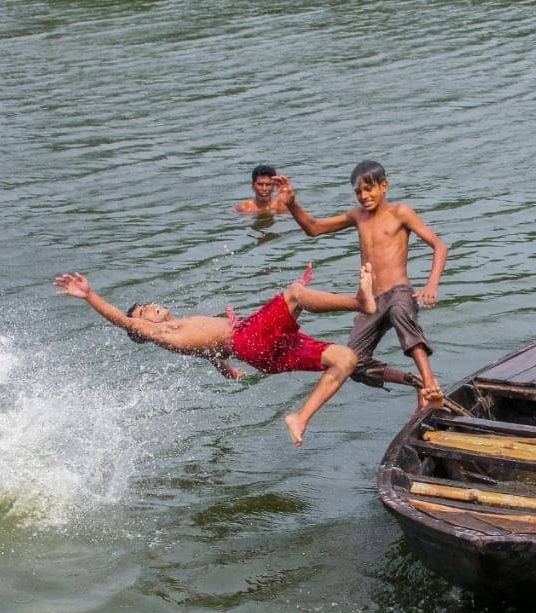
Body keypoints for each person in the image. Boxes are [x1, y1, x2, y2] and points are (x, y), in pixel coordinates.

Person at [53, 264, 377, 446]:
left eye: (147, 305)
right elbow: (122, 320)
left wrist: (226, 370)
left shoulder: (180, 333)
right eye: (143, 314)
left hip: (260, 353)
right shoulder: (161, 333)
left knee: (345, 359)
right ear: (144, 329)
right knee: (294, 294)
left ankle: (300, 417)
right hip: (250, 341)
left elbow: (208, 352)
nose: (149, 309)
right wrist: (90, 295)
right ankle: (359, 303)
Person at [278, 161, 449, 410]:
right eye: (358, 192)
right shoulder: (357, 216)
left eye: (369, 189)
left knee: (400, 313)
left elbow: (439, 245)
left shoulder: (400, 212)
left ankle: (431, 386)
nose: (364, 196)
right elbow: (313, 229)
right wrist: (292, 203)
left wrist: (432, 284)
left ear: (384, 186)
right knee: (354, 362)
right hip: (371, 301)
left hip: (399, 291)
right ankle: (417, 383)